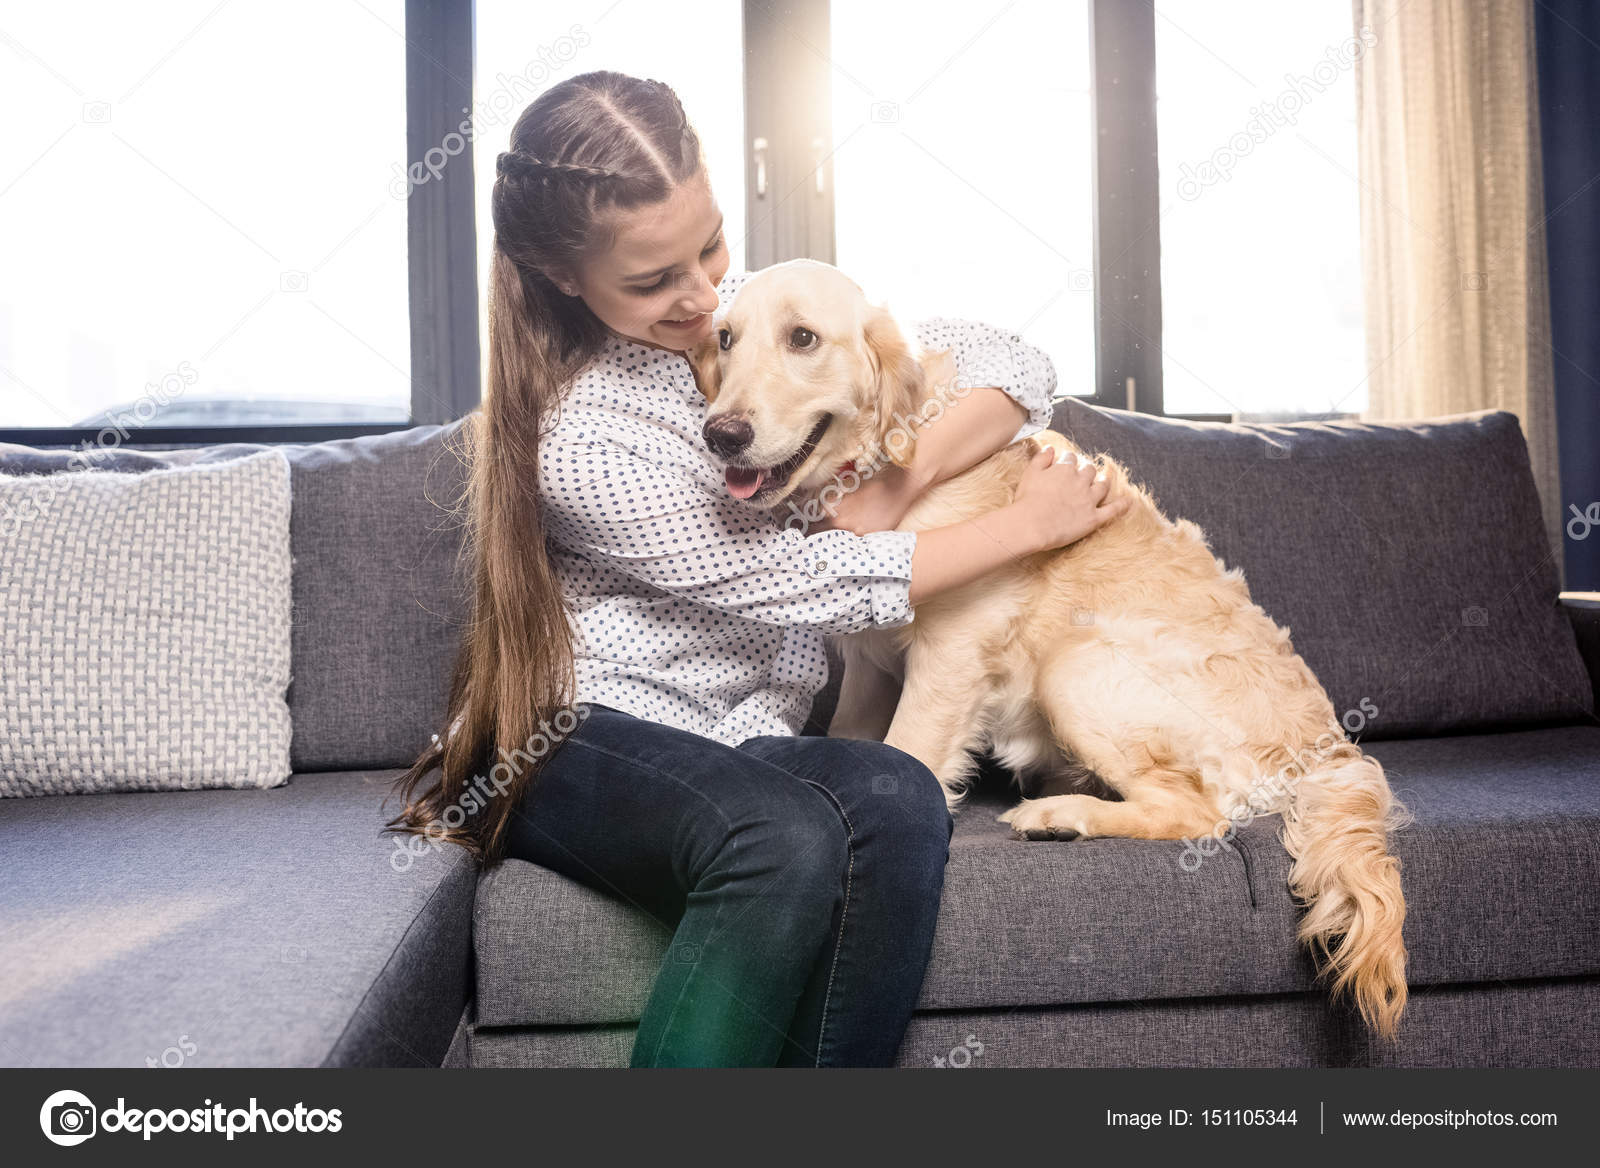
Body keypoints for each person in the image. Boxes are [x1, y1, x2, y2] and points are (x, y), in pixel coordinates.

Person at [389, 70, 1127, 1067]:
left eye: (710, 246)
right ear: (566, 275)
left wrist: (894, 488)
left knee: (896, 798)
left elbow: (1012, 358)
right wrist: (1023, 526)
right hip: (568, 736)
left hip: (735, 738)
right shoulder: (578, 439)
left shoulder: (747, 320)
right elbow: (799, 581)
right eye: (654, 280)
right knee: (779, 837)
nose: (700, 295)